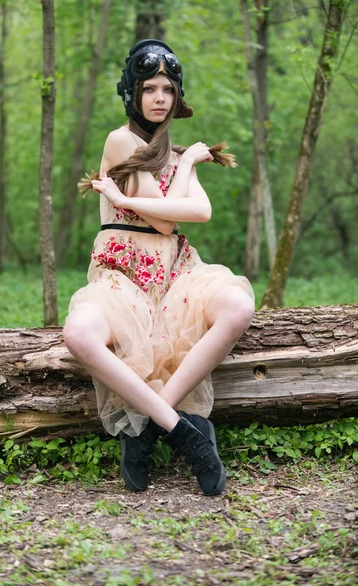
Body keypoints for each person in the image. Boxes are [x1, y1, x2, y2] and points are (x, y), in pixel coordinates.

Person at [63, 39, 255, 496]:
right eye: (149, 88)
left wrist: (185, 161)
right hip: (123, 274)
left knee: (236, 306)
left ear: (177, 95)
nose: (159, 98)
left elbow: (198, 213)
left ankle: (150, 426)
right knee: (78, 334)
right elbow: (166, 218)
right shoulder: (121, 140)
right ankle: (187, 433)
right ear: (132, 92)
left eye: (167, 89)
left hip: (174, 274)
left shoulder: (174, 151)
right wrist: (167, 180)